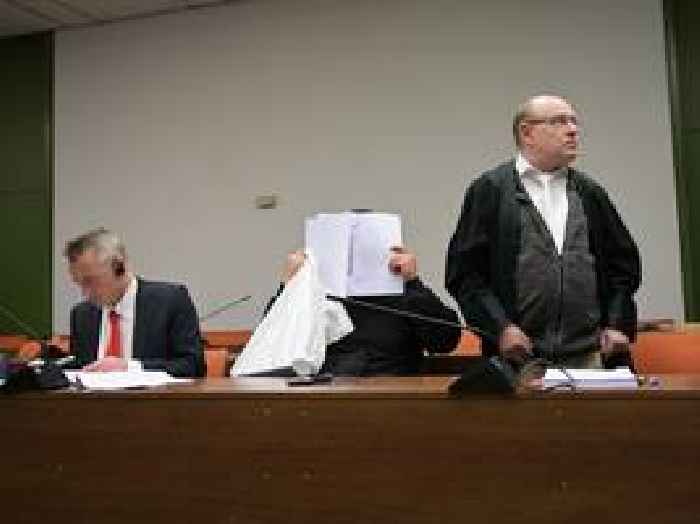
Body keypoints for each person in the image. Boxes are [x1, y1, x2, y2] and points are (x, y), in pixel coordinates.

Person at [446, 94, 641, 368]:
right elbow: (465, 274)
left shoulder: (589, 192)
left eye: (574, 122)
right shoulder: (491, 190)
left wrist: (618, 323)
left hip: (593, 355)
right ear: (527, 133)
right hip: (518, 357)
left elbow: (624, 267)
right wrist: (500, 328)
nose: (572, 130)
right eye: (559, 122)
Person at [268, 246, 461, 376]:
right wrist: (291, 285)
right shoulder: (318, 297)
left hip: (395, 399)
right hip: (326, 398)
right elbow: (271, 343)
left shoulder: (404, 294)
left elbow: (445, 341)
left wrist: (412, 282)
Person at [64, 227, 204, 377]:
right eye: (78, 283)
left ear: (119, 268)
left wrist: (130, 367)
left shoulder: (170, 301)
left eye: (90, 281)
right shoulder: (82, 315)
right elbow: (79, 368)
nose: (85, 293)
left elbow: (192, 365)